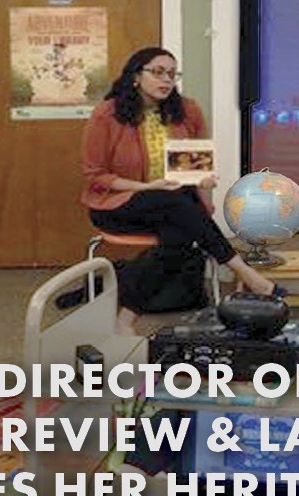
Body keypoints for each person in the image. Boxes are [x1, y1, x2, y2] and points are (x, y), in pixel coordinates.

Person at [81, 47, 280, 335]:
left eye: (172, 74)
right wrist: (146, 187)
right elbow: (95, 176)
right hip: (118, 206)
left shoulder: (187, 110)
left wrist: (202, 178)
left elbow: (194, 163)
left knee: (178, 233)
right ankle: (246, 272)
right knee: (171, 202)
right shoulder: (106, 115)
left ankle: (125, 320)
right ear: (136, 76)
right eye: (158, 72)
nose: (166, 80)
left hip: (175, 207)